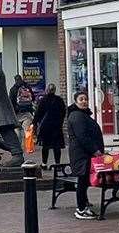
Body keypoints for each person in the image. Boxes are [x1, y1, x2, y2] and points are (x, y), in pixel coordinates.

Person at [65, 89, 105, 220]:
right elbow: (83, 137)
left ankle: (84, 205)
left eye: (85, 99)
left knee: (85, 180)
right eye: (81, 99)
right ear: (75, 102)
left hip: (85, 155)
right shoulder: (77, 116)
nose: (84, 101)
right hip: (81, 155)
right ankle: (81, 209)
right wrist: (95, 150)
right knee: (82, 181)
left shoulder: (83, 115)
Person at [31, 84, 67, 174]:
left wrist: (35, 123)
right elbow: (63, 112)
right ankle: (57, 164)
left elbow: (38, 113)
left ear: (47, 90)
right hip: (56, 127)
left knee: (45, 146)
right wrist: (60, 121)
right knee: (56, 146)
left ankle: (44, 163)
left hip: (46, 127)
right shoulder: (59, 100)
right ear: (55, 90)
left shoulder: (43, 100)